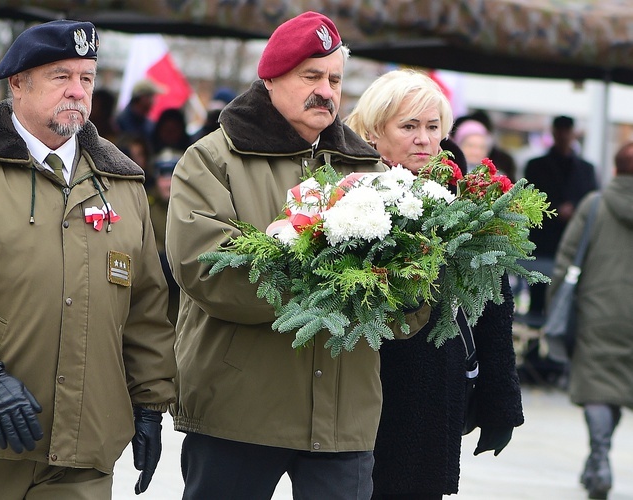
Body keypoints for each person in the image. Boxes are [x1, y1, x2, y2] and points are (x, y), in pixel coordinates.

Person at [0, 20, 176, 498]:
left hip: (83, 452)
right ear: (17, 84)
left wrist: (150, 403)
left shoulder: (122, 184)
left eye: (86, 78)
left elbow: (146, 306)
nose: (77, 91)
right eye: (60, 76)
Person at [165, 12, 430, 499]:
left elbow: (406, 290)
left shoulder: (371, 170)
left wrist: (410, 287)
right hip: (239, 410)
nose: (326, 91)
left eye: (334, 79)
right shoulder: (212, 159)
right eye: (311, 76)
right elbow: (205, 268)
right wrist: (333, 289)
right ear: (271, 79)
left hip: (343, 418)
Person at [345, 68, 524, 499]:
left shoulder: (464, 198)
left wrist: (500, 400)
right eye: (408, 127)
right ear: (373, 132)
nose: (424, 139)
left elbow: (493, 303)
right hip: (354, 385)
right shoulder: (342, 194)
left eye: (432, 127)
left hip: (432, 387)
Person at [548, 142, 633, 500]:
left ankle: (599, 459)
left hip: (596, 311)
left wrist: (555, 304)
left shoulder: (594, 204)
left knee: (599, 388)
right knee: (617, 388)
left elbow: (566, 261)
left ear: (615, 168)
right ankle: (596, 459)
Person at [523, 115, 597, 320]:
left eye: (567, 132)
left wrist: (573, 210)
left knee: (567, 300)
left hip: (572, 242)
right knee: (537, 299)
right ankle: (534, 349)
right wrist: (557, 209)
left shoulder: (586, 169)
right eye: (560, 132)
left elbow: (591, 200)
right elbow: (528, 200)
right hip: (543, 241)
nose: (564, 136)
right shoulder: (537, 166)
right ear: (554, 133)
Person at [149, 148, 183, 326]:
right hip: (158, 294)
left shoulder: (193, 208)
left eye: (173, 176)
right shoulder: (146, 208)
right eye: (163, 176)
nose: (168, 183)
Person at [116, 78, 159, 145]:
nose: (153, 102)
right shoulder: (120, 122)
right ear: (143, 98)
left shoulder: (149, 124)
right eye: (151, 97)